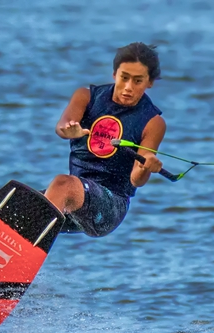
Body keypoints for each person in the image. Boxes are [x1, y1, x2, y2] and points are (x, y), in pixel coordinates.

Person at [44, 42, 166, 237]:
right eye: (124, 78)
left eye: (137, 81)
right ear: (114, 74)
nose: (128, 87)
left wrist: (145, 167)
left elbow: (136, 179)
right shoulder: (87, 97)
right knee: (17, 202)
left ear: (149, 82)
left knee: (62, 184)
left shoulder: (153, 122)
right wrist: (69, 131)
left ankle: (27, 253)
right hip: (73, 200)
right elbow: (63, 125)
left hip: (110, 207)